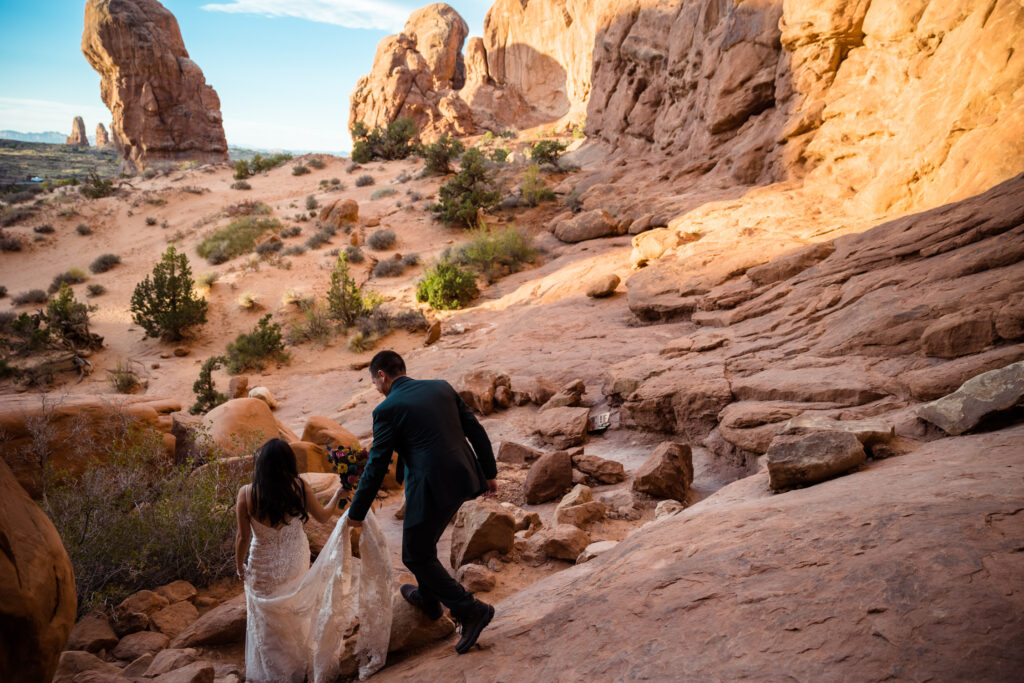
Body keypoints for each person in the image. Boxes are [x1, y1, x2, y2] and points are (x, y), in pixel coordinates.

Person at [347, 350, 498, 655]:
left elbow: (377, 465)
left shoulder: (387, 409)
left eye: (375, 382)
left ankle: (470, 609)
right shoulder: (440, 386)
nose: (377, 389)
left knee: (415, 555)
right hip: (465, 477)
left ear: (381, 376)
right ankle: (429, 601)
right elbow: (475, 429)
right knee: (423, 546)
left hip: (431, 486)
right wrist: (490, 472)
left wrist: (356, 513)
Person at [235, 438, 394, 682]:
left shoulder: (246, 494)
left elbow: (242, 538)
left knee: (268, 620)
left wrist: (239, 565)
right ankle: (301, 663)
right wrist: (338, 496)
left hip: (261, 563)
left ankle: (277, 672)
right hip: (294, 559)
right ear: (288, 462)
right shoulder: (298, 486)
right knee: (297, 609)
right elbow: (322, 517)